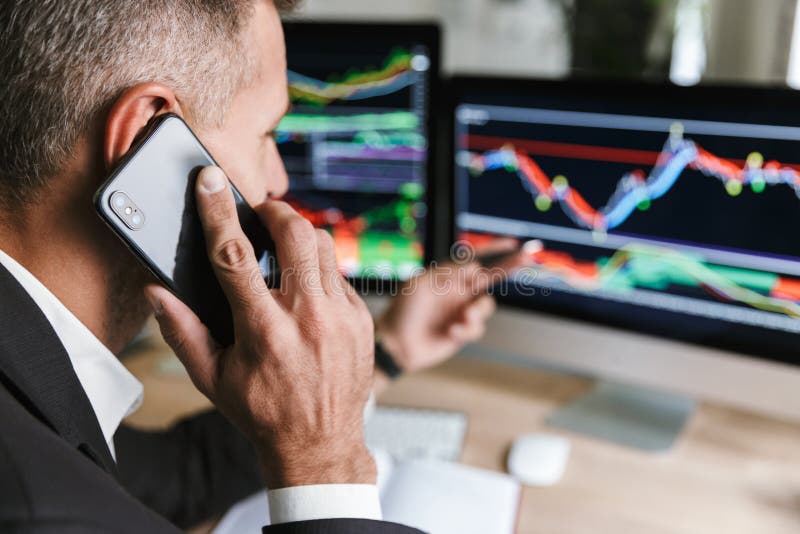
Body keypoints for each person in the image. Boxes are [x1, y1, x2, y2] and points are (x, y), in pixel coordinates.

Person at [0, 0, 526, 532]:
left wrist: (386, 353)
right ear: (143, 136)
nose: (278, 180)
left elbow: (178, 477)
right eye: (266, 134)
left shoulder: (30, 387)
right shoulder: (39, 509)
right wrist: (329, 464)